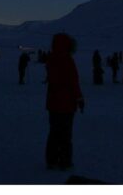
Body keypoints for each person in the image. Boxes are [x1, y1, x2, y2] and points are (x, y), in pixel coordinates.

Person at [46, 33, 84, 170]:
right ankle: (65, 161)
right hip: (67, 104)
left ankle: (51, 160)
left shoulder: (51, 59)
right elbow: (73, 82)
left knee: (54, 133)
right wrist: (79, 98)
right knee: (65, 135)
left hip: (52, 102)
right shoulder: (67, 60)